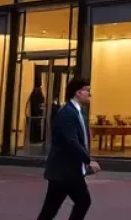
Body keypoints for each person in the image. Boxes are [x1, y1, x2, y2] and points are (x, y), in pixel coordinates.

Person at [35, 76, 100, 220]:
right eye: (87, 91)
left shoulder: (76, 112)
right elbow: (71, 141)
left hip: (66, 171)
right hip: (65, 170)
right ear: (78, 92)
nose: (90, 94)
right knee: (82, 202)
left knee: (51, 209)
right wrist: (88, 160)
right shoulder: (67, 113)